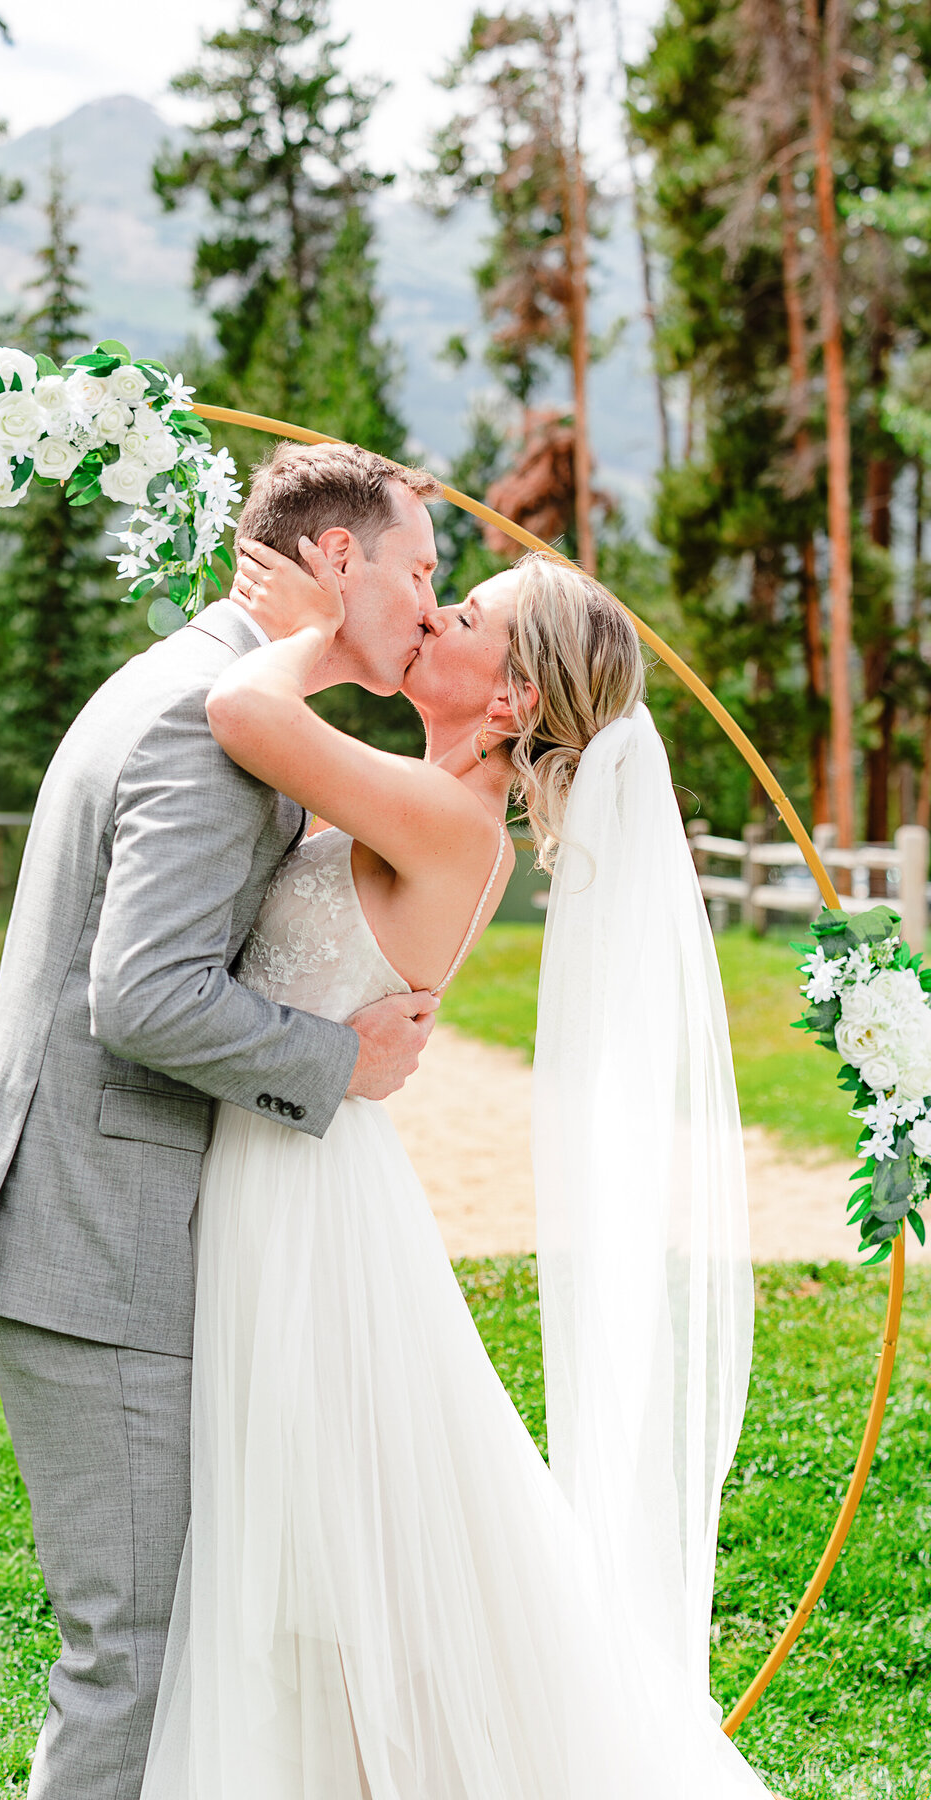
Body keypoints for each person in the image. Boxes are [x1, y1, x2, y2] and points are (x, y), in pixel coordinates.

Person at [138, 528, 772, 1797]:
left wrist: (317, 623)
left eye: (463, 613)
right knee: (331, 1549)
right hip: (303, 1167)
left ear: (513, 698)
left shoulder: (441, 811)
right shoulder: (419, 786)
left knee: (333, 1546)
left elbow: (236, 709)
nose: (431, 619)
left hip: (305, 1199)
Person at [0, 444, 448, 1798]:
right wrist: (338, 1059)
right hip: (90, 1240)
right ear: (335, 559)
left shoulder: (216, 697)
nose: (434, 604)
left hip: (100, 1228)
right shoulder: (201, 719)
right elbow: (141, 997)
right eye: (422, 569)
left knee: (156, 1631)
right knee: (131, 1649)